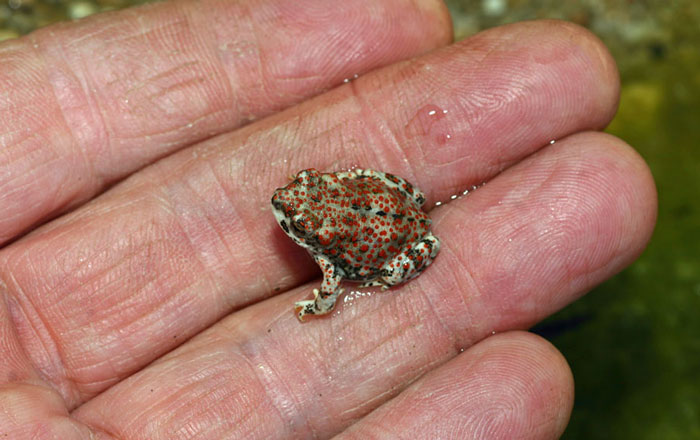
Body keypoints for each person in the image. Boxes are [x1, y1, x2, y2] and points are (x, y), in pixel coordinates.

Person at [0, 0, 656, 438]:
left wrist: (328, 296)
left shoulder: (326, 243)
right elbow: (334, 206)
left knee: (412, 253)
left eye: (294, 217)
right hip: (381, 199)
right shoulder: (319, 197)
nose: (284, 216)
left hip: (392, 223)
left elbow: (334, 279)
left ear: (311, 231)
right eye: (293, 209)